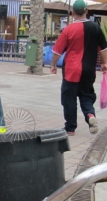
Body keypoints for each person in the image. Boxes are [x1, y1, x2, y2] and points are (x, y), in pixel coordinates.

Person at [50, 0, 107, 136]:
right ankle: (90, 115)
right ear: (87, 11)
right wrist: (105, 63)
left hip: (71, 70)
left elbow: (57, 51)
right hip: (89, 70)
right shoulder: (95, 28)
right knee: (86, 95)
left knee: (69, 98)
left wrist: (52, 65)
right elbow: (104, 48)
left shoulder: (68, 30)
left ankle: (70, 128)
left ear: (72, 13)